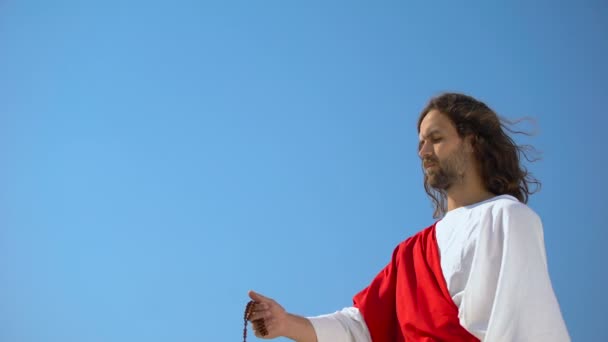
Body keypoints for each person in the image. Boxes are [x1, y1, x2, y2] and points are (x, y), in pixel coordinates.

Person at [246, 93, 570, 341]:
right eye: (421, 143)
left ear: (472, 142)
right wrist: (286, 322)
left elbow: (521, 328)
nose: (423, 151)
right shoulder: (411, 252)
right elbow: (360, 327)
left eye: (436, 138)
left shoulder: (506, 217)